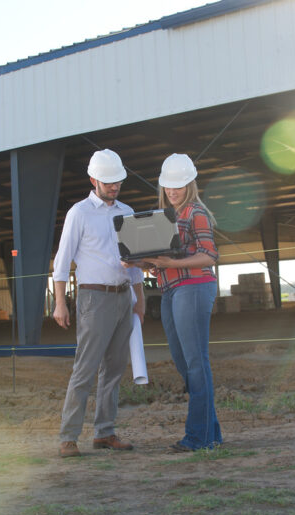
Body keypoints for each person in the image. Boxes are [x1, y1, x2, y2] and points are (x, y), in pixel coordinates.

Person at [53, 149, 145, 458]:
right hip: (94, 298)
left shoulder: (127, 211)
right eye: (108, 182)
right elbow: (63, 260)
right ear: (93, 179)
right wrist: (60, 303)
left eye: (117, 181)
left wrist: (140, 300)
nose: (114, 186)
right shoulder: (79, 213)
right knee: (86, 367)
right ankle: (69, 437)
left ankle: (105, 432)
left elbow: (133, 261)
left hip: (123, 297)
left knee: (115, 367)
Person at [143, 153, 222, 452]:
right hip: (170, 289)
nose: (172, 191)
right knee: (184, 362)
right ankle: (211, 432)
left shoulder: (195, 212)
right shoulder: (166, 217)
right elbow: (169, 258)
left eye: (178, 185)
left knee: (195, 362)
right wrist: (149, 263)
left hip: (194, 286)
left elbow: (209, 255)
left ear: (190, 184)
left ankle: (197, 437)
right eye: (168, 186)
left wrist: (172, 262)